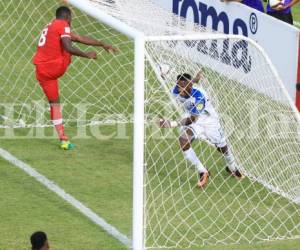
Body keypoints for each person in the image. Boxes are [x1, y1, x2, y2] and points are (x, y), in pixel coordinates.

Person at [33, 6, 118, 150]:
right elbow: (68, 46)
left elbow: (78, 38)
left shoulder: (51, 25)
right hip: (54, 67)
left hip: (42, 72)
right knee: (67, 47)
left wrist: (101, 43)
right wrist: (87, 55)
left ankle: (63, 140)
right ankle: (63, 139)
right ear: (67, 17)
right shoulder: (62, 24)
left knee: (55, 104)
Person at [159, 72, 243, 188]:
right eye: (179, 86)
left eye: (183, 87)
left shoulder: (200, 97)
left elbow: (192, 119)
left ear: (190, 87)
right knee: (184, 141)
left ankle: (232, 167)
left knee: (222, 148)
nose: (181, 90)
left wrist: (171, 124)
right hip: (195, 121)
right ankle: (202, 171)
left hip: (209, 121)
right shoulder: (176, 91)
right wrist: (195, 79)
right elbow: (189, 84)